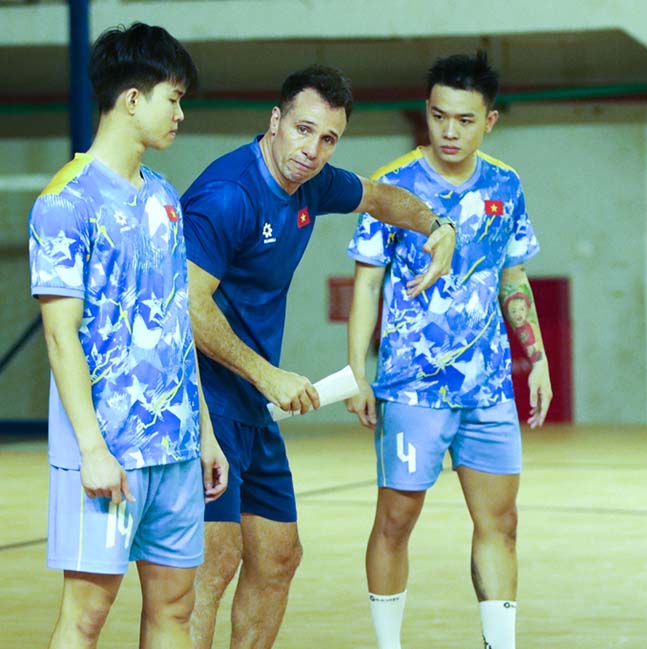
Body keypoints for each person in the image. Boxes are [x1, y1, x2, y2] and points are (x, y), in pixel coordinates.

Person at [181, 64, 456, 649]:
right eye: (303, 130)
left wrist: (440, 226)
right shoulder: (227, 194)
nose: (312, 150)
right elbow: (187, 304)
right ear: (275, 121)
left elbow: (383, 199)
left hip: (252, 406)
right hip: (203, 400)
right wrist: (267, 373)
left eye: (328, 138)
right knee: (213, 561)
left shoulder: (313, 181)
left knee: (279, 556)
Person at [28, 22, 227, 649]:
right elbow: (61, 338)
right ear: (133, 99)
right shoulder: (65, 202)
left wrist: (205, 432)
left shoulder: (165, 198)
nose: (181, 113)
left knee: (175, 606)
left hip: (173, 449)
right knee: (86, 616)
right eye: (174, 98)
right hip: (107, 451)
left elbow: (176, 320)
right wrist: (91, 449)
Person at [346, 51, 552, 649]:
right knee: (395, 522)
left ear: (490, 121)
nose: (450, 131)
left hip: (488, 389)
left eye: (465, 119)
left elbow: (513, 275)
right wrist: (358, 371)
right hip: (412, 388)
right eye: (439, 117)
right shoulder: (392, 186)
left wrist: (535, 357)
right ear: (427, 114)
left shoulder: (505, 185)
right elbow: (366, 285)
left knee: (501, 523)